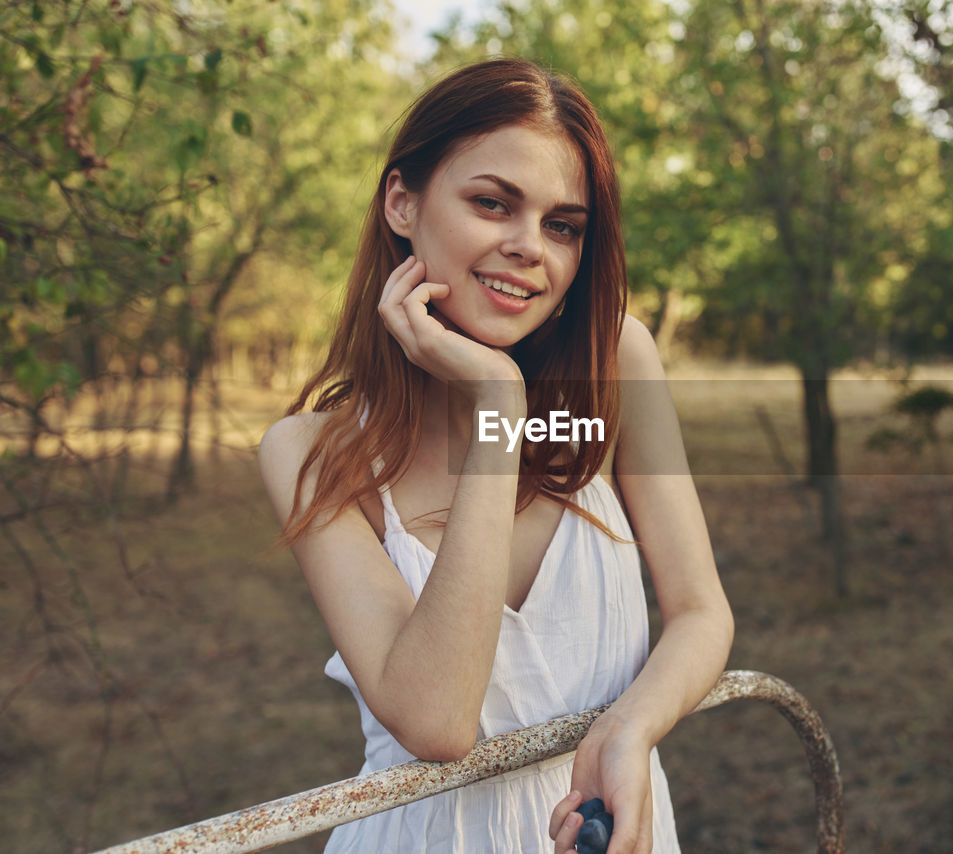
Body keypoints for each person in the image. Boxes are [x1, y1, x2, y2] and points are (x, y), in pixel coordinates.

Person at [258, 57, 734, 854]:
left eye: (563, 226)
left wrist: (628, 732)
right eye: (492, 203)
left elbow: (700, 612)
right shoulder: (310, 452)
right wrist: (497, 408)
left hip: (602, 825)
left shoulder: (615, 361)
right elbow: (438, 719)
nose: (528, 249)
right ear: (402, 202)